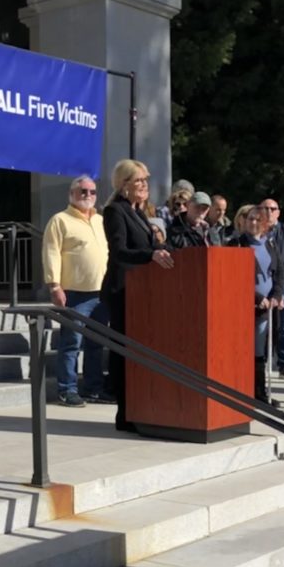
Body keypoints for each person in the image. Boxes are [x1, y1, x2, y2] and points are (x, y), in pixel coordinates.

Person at [102, 159, 175, 432]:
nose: (144, 185)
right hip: (122, 290)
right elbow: (120, 251)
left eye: (145, 180)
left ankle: (140, 407)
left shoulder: (139, 212)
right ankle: (125, 414)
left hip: (141, 292)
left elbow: (149, 245)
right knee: (123, 352)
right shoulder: (114, 211)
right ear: (124, 185)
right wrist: (151, 254)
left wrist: (163, 247)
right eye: (139, 180)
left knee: (138, 352)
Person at [42, 175, 111, 407]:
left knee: (96, 344)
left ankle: (92, 388)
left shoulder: (101, 220)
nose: (88, 196)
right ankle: (67, 389)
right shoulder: (60, 220)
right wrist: (54, 285)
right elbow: (51, 252)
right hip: (75, 292)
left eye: (92, 192)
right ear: (72, 194)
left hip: (101, 293)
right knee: (71, 342)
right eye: (83, 191)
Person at [235, 205, 284, 406]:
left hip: (268, 309)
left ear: (264, 224)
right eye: (250, 219)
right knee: (248, 350)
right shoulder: (237, 244)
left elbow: (279, 272)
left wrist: (277, 294)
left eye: (257, 220)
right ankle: (246, 391)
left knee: (261, 350)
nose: (253, 223)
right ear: (244, 221)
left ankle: (261, 392)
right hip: (247, 306)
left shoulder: (269, 244)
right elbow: (235, 277)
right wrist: (256, 297)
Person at [259, 198, 284, 380]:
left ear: (278, 212)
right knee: (264, 325)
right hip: (263, 284)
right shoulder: (257, 231)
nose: (268, 211)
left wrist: (280, 281)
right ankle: (262, 362)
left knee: (282, 325)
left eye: (272, 208)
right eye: (265, 208)